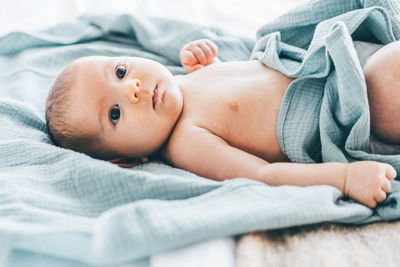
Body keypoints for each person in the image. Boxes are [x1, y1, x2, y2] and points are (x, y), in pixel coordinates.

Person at [45, 38, 398, 208]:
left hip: (335, 62)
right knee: (387, 76)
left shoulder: (185, 80)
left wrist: (212, 63)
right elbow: (264, 176)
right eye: (115, 114)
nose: (133, 89)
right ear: (123, 160)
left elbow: (247, 97)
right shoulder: (188, 142)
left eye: (120, 72)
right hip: (348, 111)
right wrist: (345, 178)